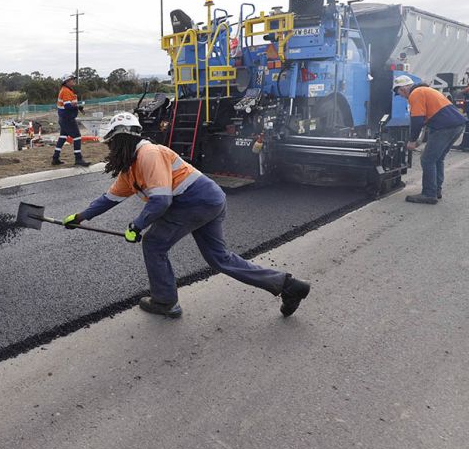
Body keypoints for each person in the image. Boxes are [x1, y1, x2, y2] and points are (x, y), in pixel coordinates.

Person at [62, 112, 310, 318]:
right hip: (210, 200)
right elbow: (109, 199)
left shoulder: (148, 154)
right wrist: (81, 217)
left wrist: (137, 226)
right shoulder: (130, 168)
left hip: (195, 202)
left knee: (154, 244)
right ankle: (287, 285)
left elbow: (161, 201)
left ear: (121, 140)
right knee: (219, 258)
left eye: (112, 143)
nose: (111, 149)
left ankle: (165, 302)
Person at [393, 75, 467, 204]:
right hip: (456, 125)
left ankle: (429, 193)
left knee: (427, 160)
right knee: (438, 159)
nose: (400, 96)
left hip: (444, 127)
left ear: (403, 88)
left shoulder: (415, 94)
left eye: (398, 93)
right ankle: (436, 190)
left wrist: (412, 140)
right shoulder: (425, 90)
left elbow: (417, 120)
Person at [51, 75, 90, 167]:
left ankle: (55, 158)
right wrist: (78, 107)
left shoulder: (66, 90)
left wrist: (77, 107)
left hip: (64, 118)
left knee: (63, 137)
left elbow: (69, 104)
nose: (74, 81)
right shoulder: (66, 91)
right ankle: (78, 159)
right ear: (67, 81)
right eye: (72, 80)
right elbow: (67, 106)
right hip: (68, 118)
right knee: (77, 137)